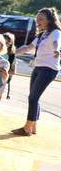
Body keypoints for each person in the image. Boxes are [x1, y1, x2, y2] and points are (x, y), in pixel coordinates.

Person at [12, 7, 61, 136]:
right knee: (34, 97)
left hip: (48, 69)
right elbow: (28, 48)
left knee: (33, 98)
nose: (37, 21)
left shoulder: (55, 32)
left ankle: (27, 128)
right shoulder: (42, 34)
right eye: (37, 19)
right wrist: (11, 53)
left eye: (41, 19)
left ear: (49, 20)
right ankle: (33, 126)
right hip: (38, 67)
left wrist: (57, 50)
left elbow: (57, 42)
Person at [1, 32, 17, 101]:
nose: (5, 45)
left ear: (11, 44)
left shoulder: (11, 56)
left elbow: (13, 71)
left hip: (2, 80)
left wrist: (4, 71)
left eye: (7, 43)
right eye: (3, 42)